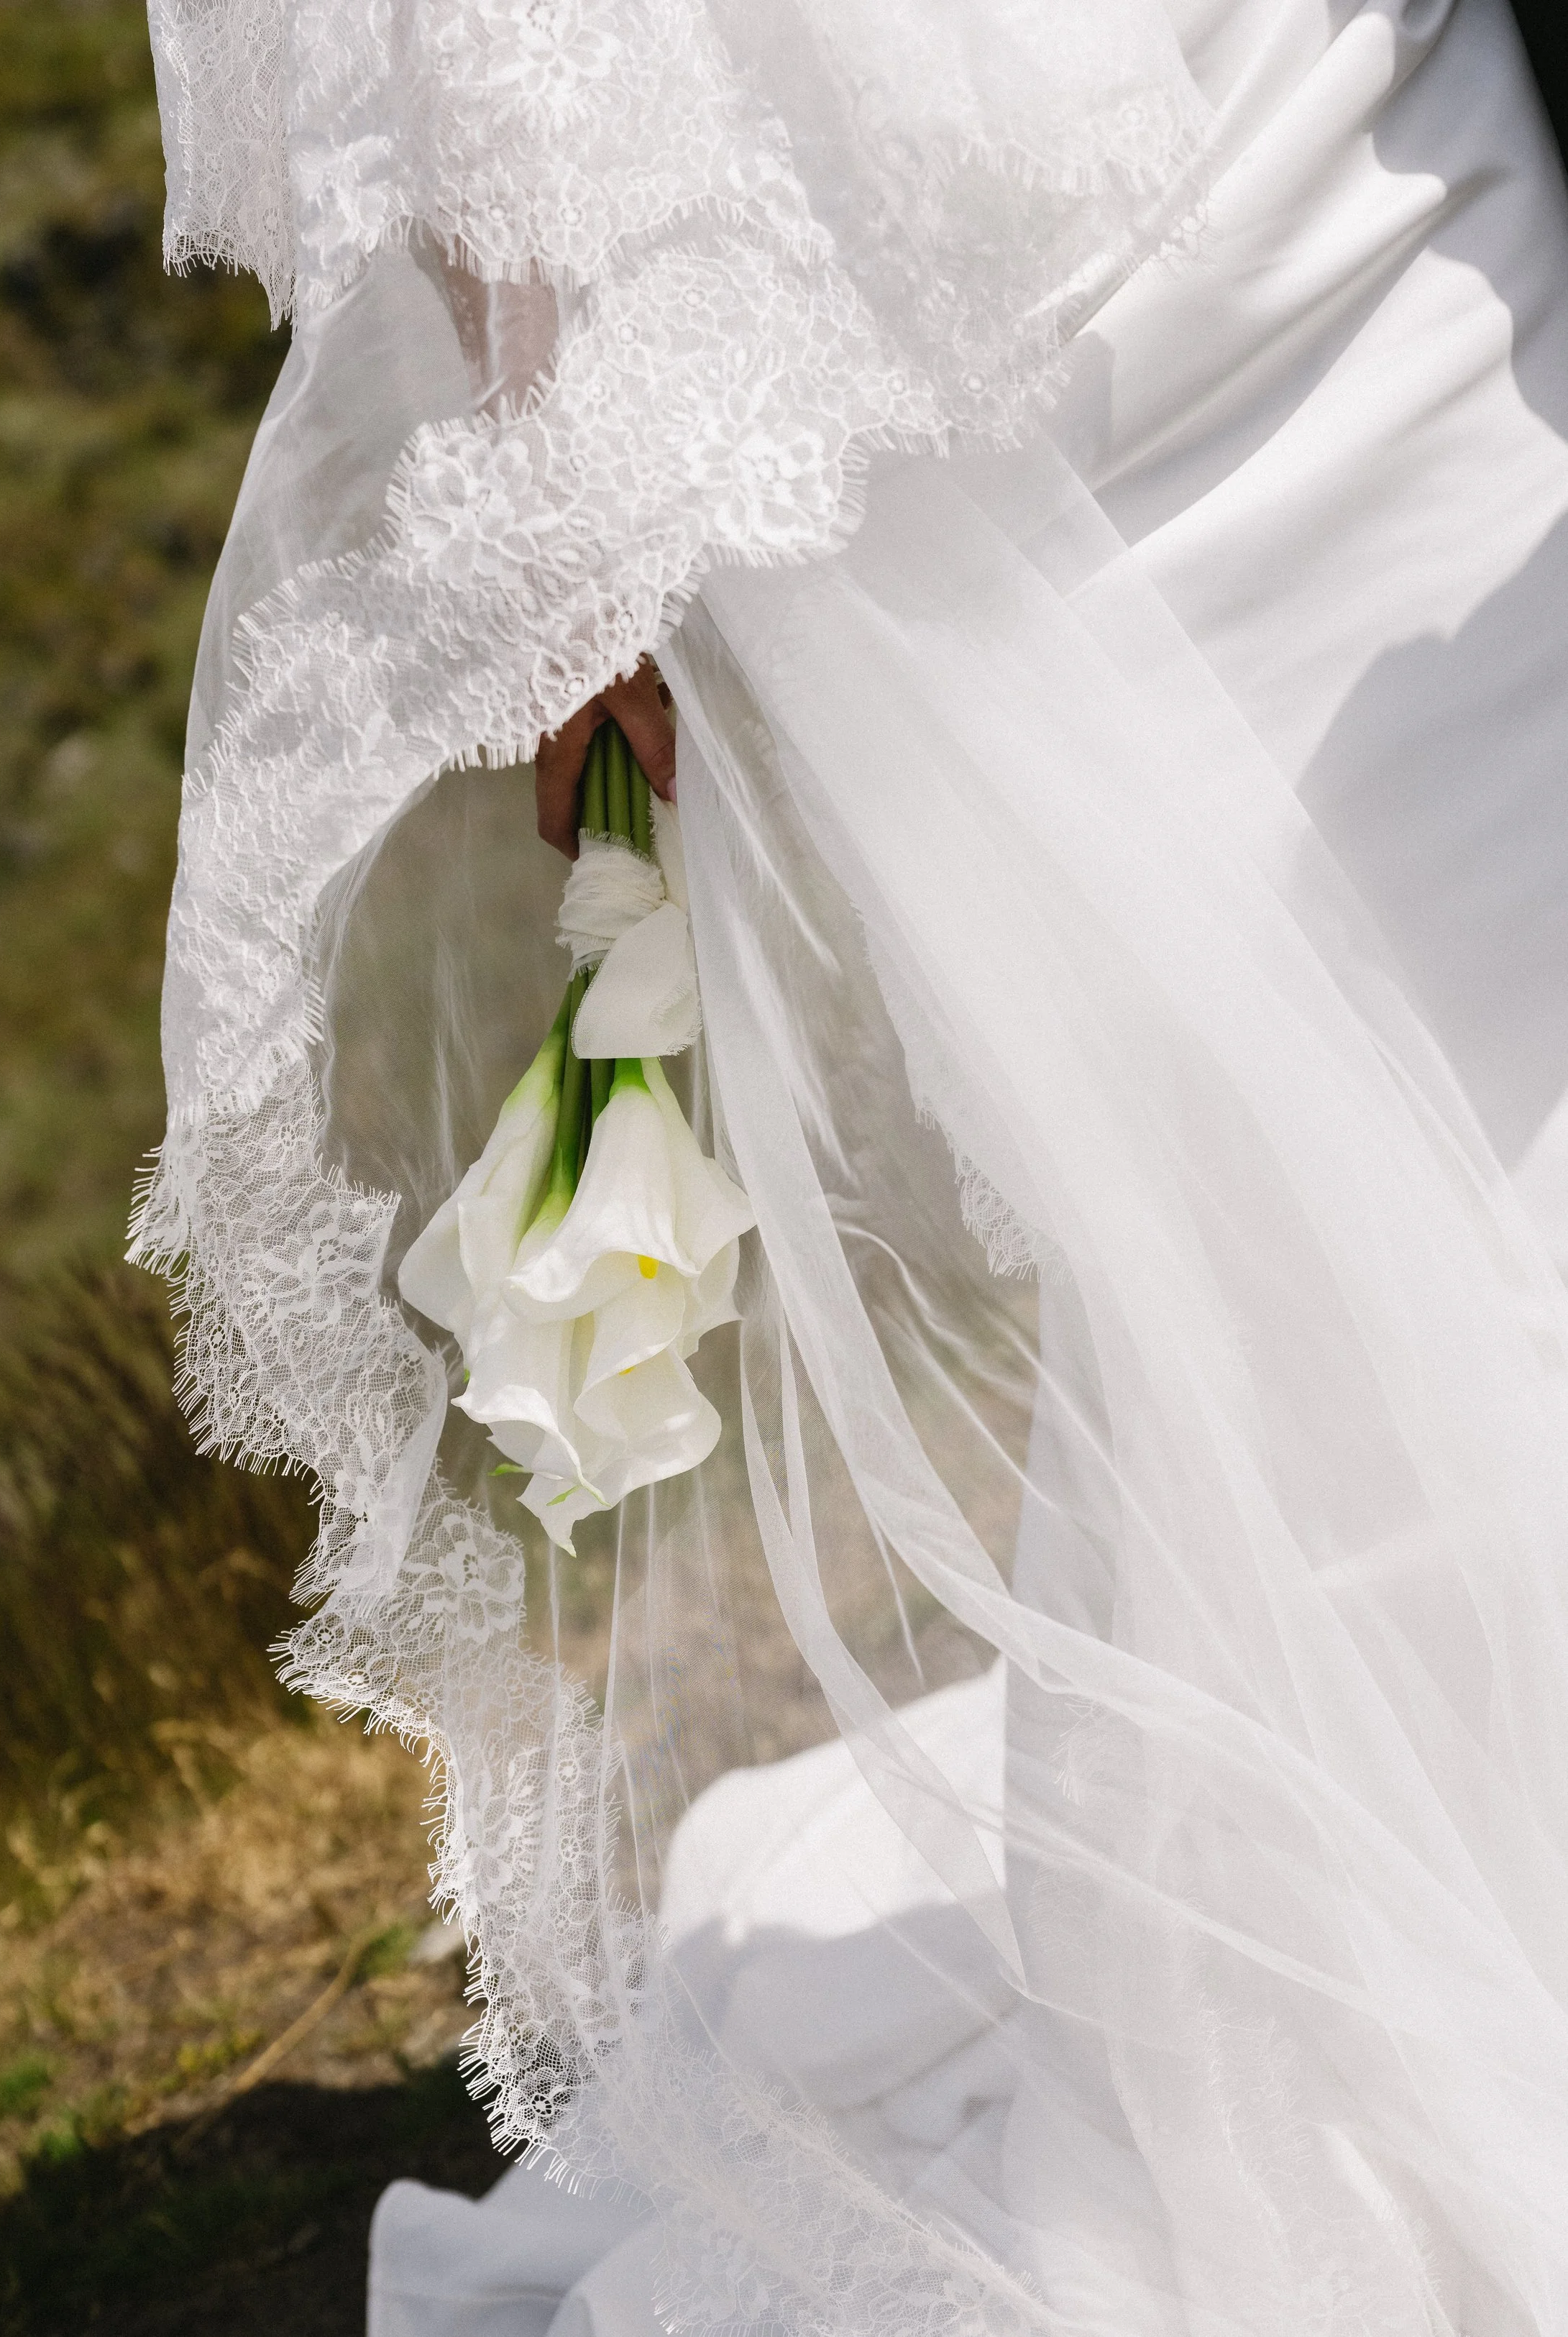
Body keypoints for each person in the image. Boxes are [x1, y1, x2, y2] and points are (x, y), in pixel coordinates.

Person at [135, 2, 1568, 2330]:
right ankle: (1372, 2016)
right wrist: (566, 504)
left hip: (1337, 136)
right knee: (1296, 1195)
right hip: (981, 243)